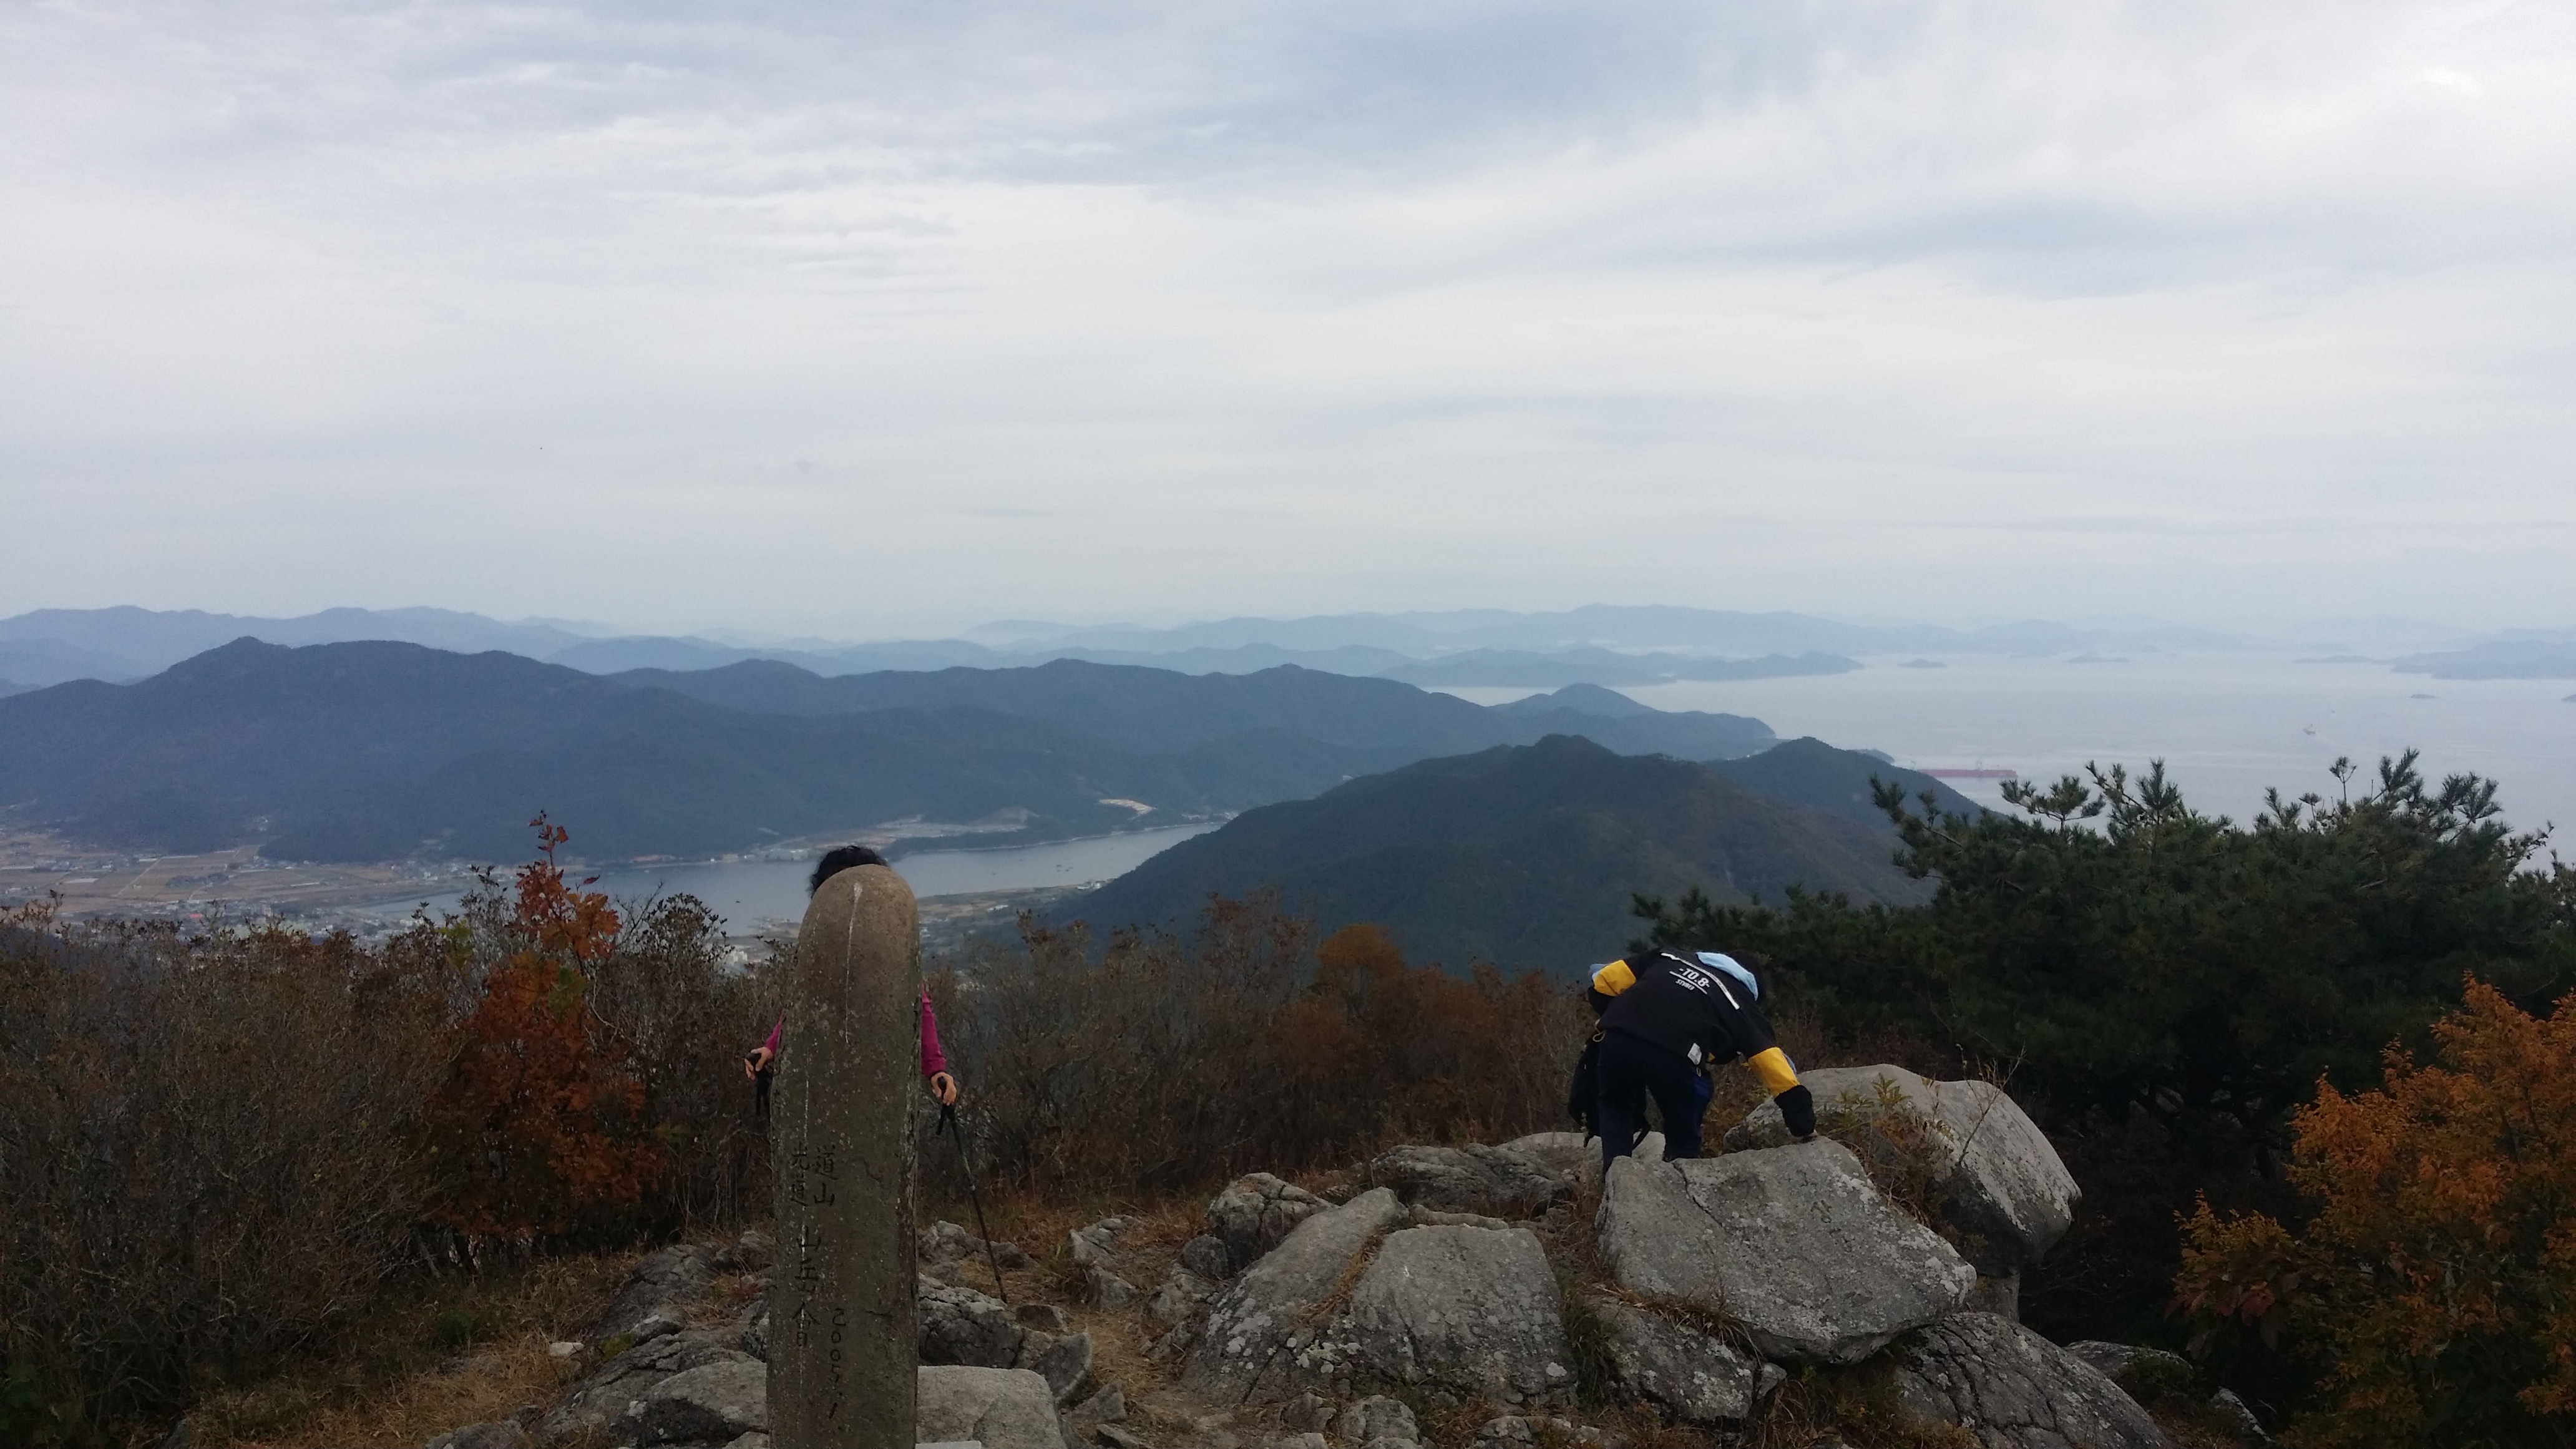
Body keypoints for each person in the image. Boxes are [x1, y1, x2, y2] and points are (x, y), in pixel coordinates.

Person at [745, 845, 959, 1115]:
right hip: (823, 1084)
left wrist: (935, 1069)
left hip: (876, 1084)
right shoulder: (825, 950)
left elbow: (918, 1006)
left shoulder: (887, 955)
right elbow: (802, 1005)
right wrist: (771, 1047)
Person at [1585, 947, 1815, 1169]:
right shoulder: (1740, 1000)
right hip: (1675, 1054)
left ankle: (1615, 1177)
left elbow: (1603, 982)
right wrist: (1802, 1123)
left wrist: (1616, 1016)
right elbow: (1769, 1061)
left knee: (1616, 1105)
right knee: (1683, 1129)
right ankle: (1679, 1177)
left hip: (1618, 1036)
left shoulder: (1666, 955)